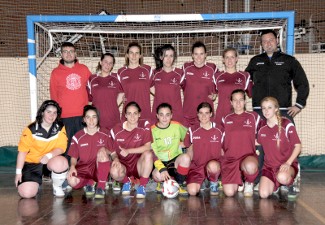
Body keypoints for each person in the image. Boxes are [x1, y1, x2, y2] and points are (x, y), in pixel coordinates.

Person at [245, 29, 309, 189]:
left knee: (286, 145)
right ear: (261, 44)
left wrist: (299, 104)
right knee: (260, 147)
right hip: (259, 111)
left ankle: (291, 175)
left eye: (271, 40)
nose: (268, 43)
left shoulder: (289, 61)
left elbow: (302, 82)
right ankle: (259, 178)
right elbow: (244, 82)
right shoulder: (255, 61)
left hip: (284, 110)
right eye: (264, 41)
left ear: (277, 40)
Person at [15, 100, 68, 198]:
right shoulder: (30, 129)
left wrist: (49, 156)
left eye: (54, 113)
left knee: (62, 162)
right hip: (32, 163)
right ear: (42, 112)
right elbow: (22, 152)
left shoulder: (60, 127)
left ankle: (57, 186)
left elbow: (61, 148)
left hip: (49, 161)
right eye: (48, 112)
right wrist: (18, 172)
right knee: (26, 194)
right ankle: (35, 183)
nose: (51, 115)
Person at [50, 42, 92, 156]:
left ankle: (82, 170)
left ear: (75, 54)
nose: (68, 54)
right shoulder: (55, 73)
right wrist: (56, 116)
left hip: (82, 116)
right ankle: (66, 170)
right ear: (61, 54)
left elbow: (92, 89)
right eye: (65, 51)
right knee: (66, 147)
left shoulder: (84, 69)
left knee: (83, 145)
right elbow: (53, 96)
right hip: (64, 117)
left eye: (71, 51)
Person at [257, 97, 301, 200]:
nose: (266, 111)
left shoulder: (286, 124)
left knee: (282, 177)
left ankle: (291, 183)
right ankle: (276, 184)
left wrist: (288, 163)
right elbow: (256, 143)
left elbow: (298, 146)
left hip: (286, 165)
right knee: (263, 194)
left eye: (269, 107)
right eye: (263, 108)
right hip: (269, 167)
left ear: (276, 109)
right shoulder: (261, 126)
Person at [221, 89, 260, 197]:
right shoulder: (225, 118)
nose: (238, 103)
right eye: (235, 100)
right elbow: (220, 139)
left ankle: (248, 182)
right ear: (231, 102)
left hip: (247, 156)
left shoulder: (254, 117)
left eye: (241, 100)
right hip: (230, 159)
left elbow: (263, 132)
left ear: (245, 102)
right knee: (229, 193)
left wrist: (259, 141)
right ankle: (239, 180)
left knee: (250, 166)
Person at [109, 101, 153, 199]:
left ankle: (142, 186)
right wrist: (115, 158)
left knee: (148, 154)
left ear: (139, 114)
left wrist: (128, 151)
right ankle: (126, 182)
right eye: (129, 113)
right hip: (123, 165)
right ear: (125, 115)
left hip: (138, 165)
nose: (132, 117)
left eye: (135, 113)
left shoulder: (145, 124)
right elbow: (111, 150)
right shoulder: (116, 130)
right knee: (113, 170)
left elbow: (147, 147)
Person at [67, 105, 112, 199]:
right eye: (88, 117)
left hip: (98, 168)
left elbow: (113, 151)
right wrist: (72, 167)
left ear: (98, 118)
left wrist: (104, 150)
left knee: (102, 153)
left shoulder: (105, 133)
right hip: (83, 169)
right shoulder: (78, 136)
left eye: (94, 117)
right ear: (84, 119)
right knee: (72, 181)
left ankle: (101, 186)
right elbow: (74, 156)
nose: (91, 120)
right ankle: (89, 182)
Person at [184, 102, 222, 196]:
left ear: (211, 114)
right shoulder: (192, 130)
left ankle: (214, 181)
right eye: (201, 113)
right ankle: (204, 181)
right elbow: (189, 150)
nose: (203, 116)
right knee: (192, 192)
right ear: (197, 115)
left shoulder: (219, 129)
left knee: (213, 166)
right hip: (197, 167)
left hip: (214, 165)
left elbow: (224, 149)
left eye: (206, 113)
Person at [151, 103, 190, 195]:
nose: (164, 118)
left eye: (167, 115)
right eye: (161, 115)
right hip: (160, 161)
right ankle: (161, 183)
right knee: (157, 175)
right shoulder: (152, 130)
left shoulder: (177, 126)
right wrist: (161, 168)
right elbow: (153, 153)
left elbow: (189, 136)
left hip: (175, 159)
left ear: (171, 116)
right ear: (157, 116)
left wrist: (184, 143)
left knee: (186, 158)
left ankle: (179, 184)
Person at [181, 41, 218, 128]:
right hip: (188, 113)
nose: (198, 57)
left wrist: (215, 94)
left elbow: (218, 86)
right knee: (186, 141)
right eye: (196, 54)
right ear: (192, 55)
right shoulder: (186, 67)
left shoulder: (212, 68)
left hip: (206, 115)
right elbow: (178, 85)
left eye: (201, 54)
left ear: (206, 55)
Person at [214, 47, 252, 125]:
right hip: (221, 115)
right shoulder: (216, 76)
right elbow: (212, 95)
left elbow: (251, 94)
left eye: (232, 57)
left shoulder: (245, 76)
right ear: (223, 60)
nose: (229, 60)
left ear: (236, 59)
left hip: (239, 114)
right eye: (227, 57)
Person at [87, 53, 124, 130]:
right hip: (97, 120)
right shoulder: (92, 79)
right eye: (106, 62)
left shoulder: (116, 77)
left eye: (110, 63)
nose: (108, 65)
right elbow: (90, 101)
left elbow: (122, 93)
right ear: (101, 62)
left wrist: (113, 106)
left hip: (113, 119)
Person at [118, 42, 152, 122]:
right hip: (128, 115)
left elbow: (155, 90)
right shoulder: (121, 72)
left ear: (140, 55)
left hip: (144, 113)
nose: (134, 56)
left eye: (137, 53)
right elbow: (120, 95)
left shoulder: (147, 70)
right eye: (131, 53)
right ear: (127, 55)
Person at [150, 44, 184, 124]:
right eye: (166, 56)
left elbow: (189, 89)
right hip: (159, 114)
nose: (168, 59)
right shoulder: (155, 73)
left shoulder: (180, 73)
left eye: (171, 56)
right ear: (161, 57)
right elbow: (148, 86)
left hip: (175, 113)